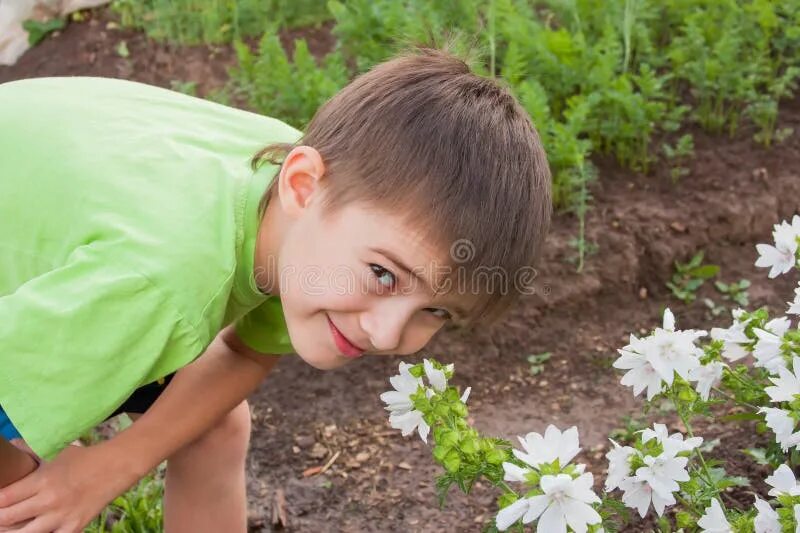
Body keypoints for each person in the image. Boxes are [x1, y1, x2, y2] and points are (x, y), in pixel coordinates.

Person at [0, 48, 551, 532]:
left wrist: (112, 465)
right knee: (21, 501)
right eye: (384, 275)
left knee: (211, 421)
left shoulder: (318, 201)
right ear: (301, 185)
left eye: (435, 310)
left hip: (55, 230)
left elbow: (244, 351)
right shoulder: (162, 283)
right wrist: (42, 472)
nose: (386, 333)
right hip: (69, 276)